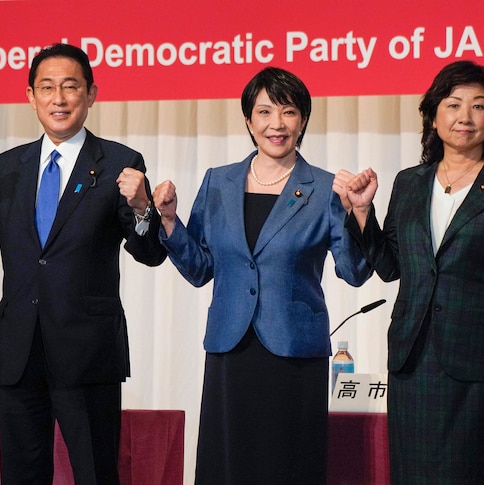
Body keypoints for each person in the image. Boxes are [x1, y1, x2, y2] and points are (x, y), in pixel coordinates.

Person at [0, 43, 167, 484]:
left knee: (95, 472)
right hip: (19, 351)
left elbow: (150, 252)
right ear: (31, 96)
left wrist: (143, 208)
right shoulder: (9, 167)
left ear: (91, 94)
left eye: (70, 87)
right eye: (47, 87)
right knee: (22, 474)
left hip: (87, 352)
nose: (59, 99)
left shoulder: (121, 163)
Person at [152, 67, 372, 484]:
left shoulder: (326, 188)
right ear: (249, 121)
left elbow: (354, 271)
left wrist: (358, 213)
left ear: (303, 120)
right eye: (265, 112)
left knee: (287, 466)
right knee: (229, 465)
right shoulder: (219, 182)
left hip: (292, 353)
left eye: (288, 112)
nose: (277, 124)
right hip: (231, 350)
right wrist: (167, 220)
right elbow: (200, 269)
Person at [335, 60, 484, 483]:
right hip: (413, 358)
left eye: (479, 106)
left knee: (471, 471)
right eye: (454, 104)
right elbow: (390, 267)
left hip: (477, 364)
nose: (465, 117)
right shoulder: (409, 183)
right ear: (433, 115)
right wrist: (362, 211)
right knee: (412, 472)